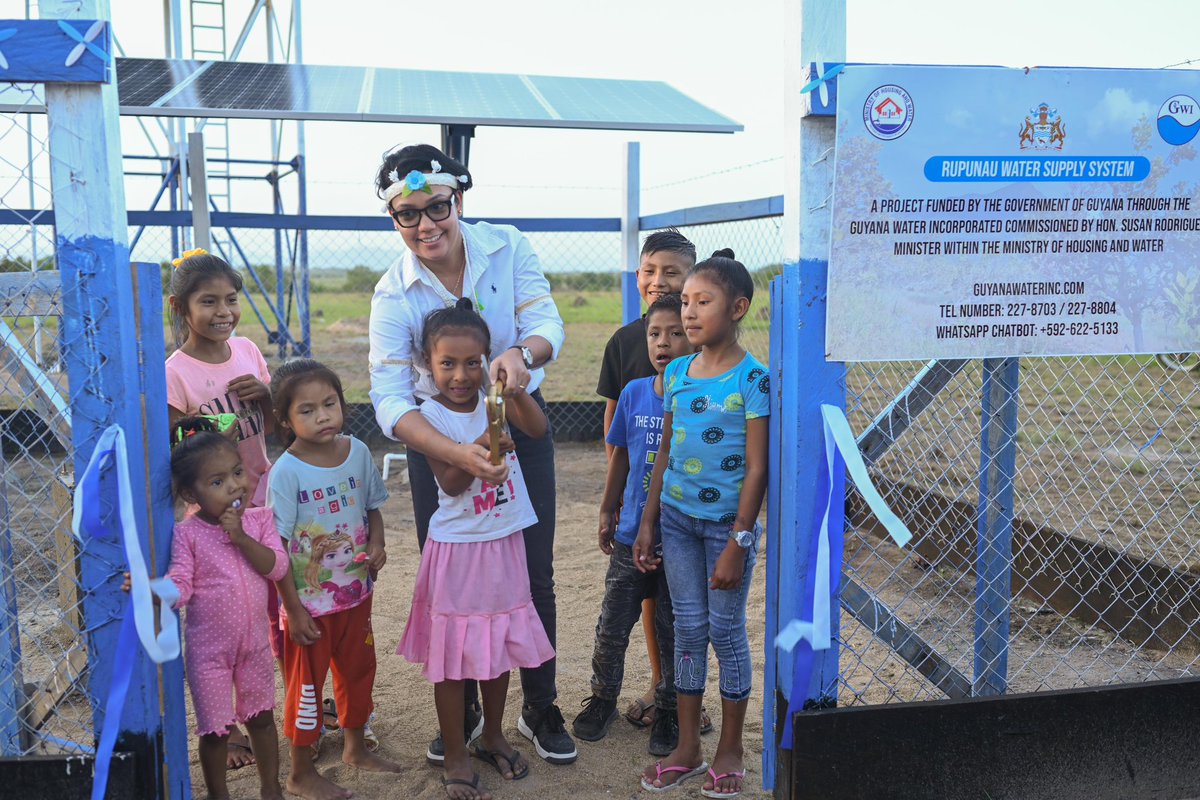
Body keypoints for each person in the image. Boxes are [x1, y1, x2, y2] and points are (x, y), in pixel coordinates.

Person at [368, 143, 575, 765]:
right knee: (457, 582)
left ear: (459, 199)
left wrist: (523, 357)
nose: (427, 224)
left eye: (438, 207)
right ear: (394, 219)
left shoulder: (507, 246)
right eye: (409, 214)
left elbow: (546, 321)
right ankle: (470, 718)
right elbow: (388, 398)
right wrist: (457, 451)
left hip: (514, 430)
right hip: (444, 448)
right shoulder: (393, 292)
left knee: (531, 573)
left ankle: (539, 706)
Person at [398, 298, 556, 800]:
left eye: (473, 362)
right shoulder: (430, 416)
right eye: (447, 363)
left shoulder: (496, 397)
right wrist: (489, 442)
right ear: (428, 364)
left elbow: (538, 430)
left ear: (487, 359)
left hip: (503, 540)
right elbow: (449, 479)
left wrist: (514, 386)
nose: (461, 375)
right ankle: (457, 750)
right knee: (452, 658)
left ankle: (492, 733)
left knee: (498, 647)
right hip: (459, 550)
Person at [634, 250, 769, 799]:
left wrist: (739, 540)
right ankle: (687, 747)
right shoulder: (678, 373)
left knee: (726, 632)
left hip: (724, 529)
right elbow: (665, 451)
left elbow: (758, 467)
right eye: (685, 301)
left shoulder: (753, 378)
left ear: (737, 308)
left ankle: (729, 748)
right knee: (687, 630)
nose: (688, 314)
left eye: (702, 302)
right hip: (677, 521)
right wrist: (647, 521)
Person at [267, 359, 401, 800]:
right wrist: (292, 608)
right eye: (307, 410)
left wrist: (377, 545)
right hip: (308, 609)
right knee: (307, 688)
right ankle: (300, 773)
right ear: (284, 420)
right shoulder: (286, 472)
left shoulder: (359, 452)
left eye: (330, 404)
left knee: (359, 671)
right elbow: (278, 550)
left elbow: (372, 509)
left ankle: (355, 748)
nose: (322, 415)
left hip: (356, 595)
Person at [137, 416, 290, 800]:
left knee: (262, 720)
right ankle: (217, 794)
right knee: (216, 730)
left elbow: (278, 567)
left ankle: (271, 789)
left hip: (254, 647)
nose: (235, 485)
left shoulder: (258, 520)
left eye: (237, 472)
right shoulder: (188, 534)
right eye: (217, 482)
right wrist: (152, 591)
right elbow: (182, 587)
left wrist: (239, 536)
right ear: (192, 495)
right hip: (209, 655)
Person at [165, 247, 277, 770]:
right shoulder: (176, 373)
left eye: (231, 299)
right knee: (220, 619)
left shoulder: (249, 351)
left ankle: (265, 710)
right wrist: (218, 430)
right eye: (207, 301)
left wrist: (265, 396)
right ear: (180, 308)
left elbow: (273, 426)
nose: (223, 312)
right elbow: (179, 448)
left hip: (263, 500)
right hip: (211, 521)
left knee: (263, 612)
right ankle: (227, 730)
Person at [574, 293, 695, 758]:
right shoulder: (633, 393)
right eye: (654, 334)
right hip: (629, 538)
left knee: (673, 630)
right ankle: (602, 699)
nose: (663, 342)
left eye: (675, 332)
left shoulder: (699, 399)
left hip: (679, 540)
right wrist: (607, 509)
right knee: (612, 626)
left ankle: (667, 709)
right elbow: (621, 456)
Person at [594, 229, 704, 733]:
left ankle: (674, 700)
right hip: (635, 514)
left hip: (682, 520)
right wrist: (611, 504)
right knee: (631, 605)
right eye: (649, 271)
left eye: (672, 272)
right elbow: (616, 436)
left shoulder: (703, 361)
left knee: (676, 613)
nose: (658, 281)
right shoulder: (625, 344)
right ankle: (634, 694)